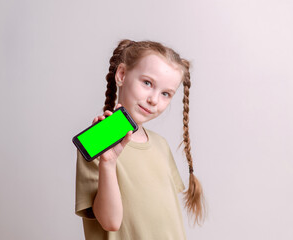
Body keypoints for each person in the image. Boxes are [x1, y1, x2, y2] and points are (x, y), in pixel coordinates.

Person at [75, 39, 205, 239]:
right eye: (147, 83)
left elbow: (165, 220)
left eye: (165, 93)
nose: (154, 99)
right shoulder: (97, 141)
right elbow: (110, 222)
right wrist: (108, 163)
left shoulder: (160, 145)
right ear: (122, 74)